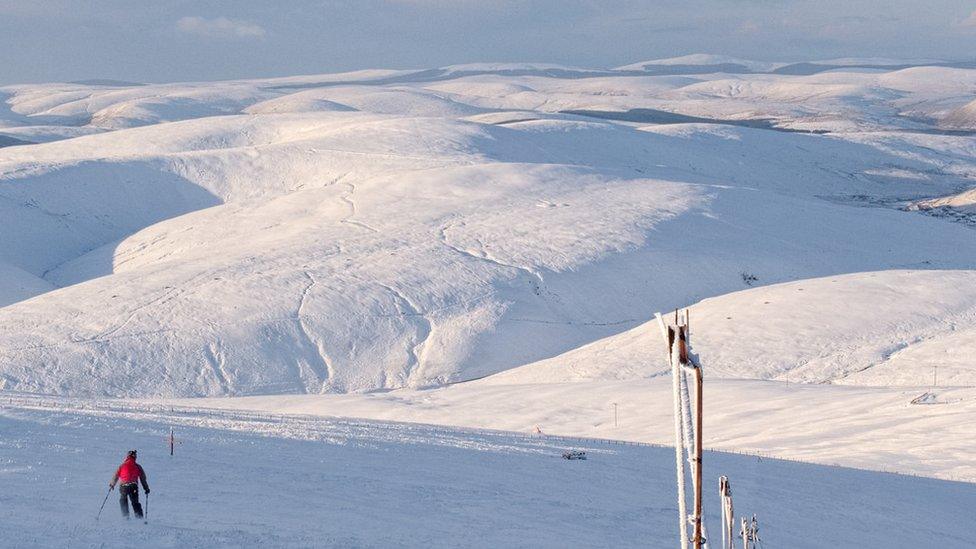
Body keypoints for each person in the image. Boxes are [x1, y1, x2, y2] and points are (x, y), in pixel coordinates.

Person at [109, 450, 150, 519]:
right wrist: (146, 488)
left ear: (127, 456)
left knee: (123, 499)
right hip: (133, 486)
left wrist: (112, 484)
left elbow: (116, 476)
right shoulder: (138, 466)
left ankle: (125, 516)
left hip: (123, 486)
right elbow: (143, 478)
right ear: (135, 457)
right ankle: (139, 517)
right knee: (135, 502)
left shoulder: (122, 466)